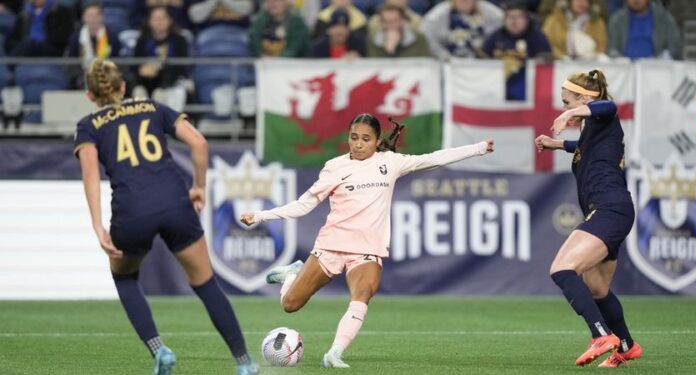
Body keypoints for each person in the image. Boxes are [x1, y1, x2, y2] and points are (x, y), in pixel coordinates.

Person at [240, 114, 494, 368]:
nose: (358, 144)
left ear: (377, 140)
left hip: (366, 251)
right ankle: (290, 275)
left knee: (363, 293)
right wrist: (261, 215)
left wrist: (478, 148)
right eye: (353, 137)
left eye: (365, 139)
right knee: (290, 305)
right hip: (331, 246)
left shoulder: (391, 163)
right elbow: (304, 205)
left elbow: (435, 158)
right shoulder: (334, 167)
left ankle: (334, 353)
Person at [73, 59, 258, 375]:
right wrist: (198, 186)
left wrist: (97, 225)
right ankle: (244, 363)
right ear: (123, 87)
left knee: (125, 277)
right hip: (175, 202)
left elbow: (90, 175)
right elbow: (198, 141)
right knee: (205, 282)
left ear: (90, 96)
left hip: (132, 211)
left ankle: (160, 351)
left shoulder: (89, 125)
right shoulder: (151, 107)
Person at [534, 69, 642, 367]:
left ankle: (600, 335)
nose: (564, 107)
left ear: (584, 99)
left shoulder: (602, 114)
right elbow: (586, 149)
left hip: (609, 209)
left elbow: (608, 106)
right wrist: (558, 144)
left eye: (567, 102)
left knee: (561, 269)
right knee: (597, 289)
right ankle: (626, 345)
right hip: (615, 209)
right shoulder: (592, 131)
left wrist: (574, 113)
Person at [482, 1, 551, 100]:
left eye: (519, 17)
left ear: (527, 19)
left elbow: (546, 63)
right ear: (504, 20)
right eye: (510, 17)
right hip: (497, 90)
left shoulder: (537, 37)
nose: (514, 21)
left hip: (528, 91)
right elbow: (481, 63)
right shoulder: (495, 37)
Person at [607, 0, 680, 59]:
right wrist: (620, 59)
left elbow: (673, 46)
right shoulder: (616, 20)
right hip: (625, 69)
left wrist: (660, 59)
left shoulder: (664, 18)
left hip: (656, 68)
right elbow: (612, 48)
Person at [542, 0, 607, 60]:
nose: (581, 3)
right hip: (559, 63)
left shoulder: (597, 22)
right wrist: (562, 57)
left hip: (588, 64)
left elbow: (600, 47)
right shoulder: (553, 20)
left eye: (585, 0)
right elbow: (546, 44)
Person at [366, 3, 431, 58]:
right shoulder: (373, 38)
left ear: (402, 20)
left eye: (394, 21)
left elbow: (424, 62)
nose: (390, 25)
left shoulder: (419, 38)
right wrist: (387, 50)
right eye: (386, 22)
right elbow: (374, 64)